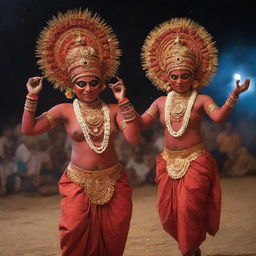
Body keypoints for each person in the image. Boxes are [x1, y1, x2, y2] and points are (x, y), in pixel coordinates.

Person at [21, 9, 141, 256]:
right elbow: (29, 129)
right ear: (71, 85)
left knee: (114, 237)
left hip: (114, 181)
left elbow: (134, 139)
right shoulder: (64, 110)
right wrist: (32, 96)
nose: (87, 88)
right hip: (77, 183)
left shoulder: (114, 109)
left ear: (102, 82)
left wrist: (124, 101)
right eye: (81, 83)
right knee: (73, 231)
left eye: (93, 82)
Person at [138, 18, 250, 256]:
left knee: (189, 209)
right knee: (168, 214)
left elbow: (218, 117)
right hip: (167, 163)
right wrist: (122, 101)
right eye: (175, 76)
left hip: (196, 162)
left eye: (184, 76)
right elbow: (140, 123)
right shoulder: (159, 102)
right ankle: (189, 246)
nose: (179, 81)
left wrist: (234, 95)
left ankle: (190, 250)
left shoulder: (201, 100)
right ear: (166, 77)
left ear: (194, 76)